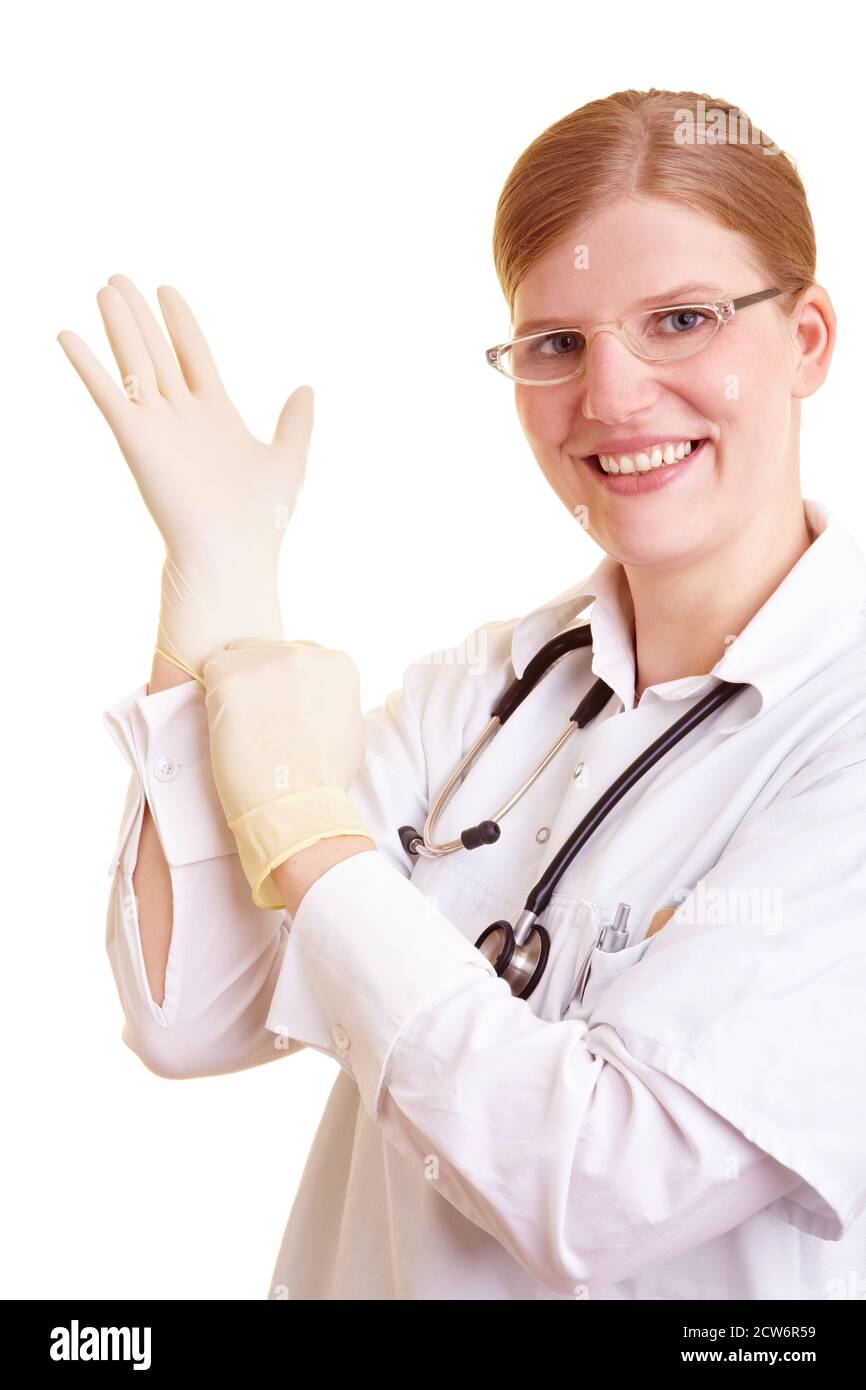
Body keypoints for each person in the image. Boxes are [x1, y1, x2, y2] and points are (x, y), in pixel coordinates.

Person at [59, 87, 866, 1300]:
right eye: (555, 344)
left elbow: (593, 1192)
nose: (611, 397)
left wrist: (311, 843)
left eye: (681, 320)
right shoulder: (488, 689)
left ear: (804, 336)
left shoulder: (839, 730)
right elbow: (194, 1016)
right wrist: (218, 600)